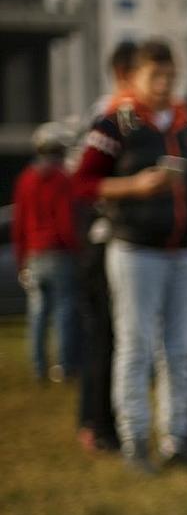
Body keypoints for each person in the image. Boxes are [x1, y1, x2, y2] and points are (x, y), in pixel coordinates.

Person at [72, 39, 187, 473]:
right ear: (134, 77)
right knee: (135, 344)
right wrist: (134, 186)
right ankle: (135, 438)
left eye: (168, 76)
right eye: (153, 76)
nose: (162, 85)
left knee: (179, 350)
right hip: (136, 248)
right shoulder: (114, 124)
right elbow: (82, 184)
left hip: (186, 251)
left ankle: (177, 437)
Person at [77, 41, 139, 454]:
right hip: (105, 242)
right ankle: (98, 424)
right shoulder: (112, 118)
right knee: (106, 337)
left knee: (117, 338)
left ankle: (104, 420)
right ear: (124, 73)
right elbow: (84, 184)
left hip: (120, 240)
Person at [13, 122, 79, 383]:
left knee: (38, 313)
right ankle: (63, 366)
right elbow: (66, 220)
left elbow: (19, 224)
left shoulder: (26, 178)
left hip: (34, 254)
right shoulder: (62, 179)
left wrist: (22, 259)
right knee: (64, 311)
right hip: (59, 254)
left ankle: (38, 366)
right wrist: (76, 249)